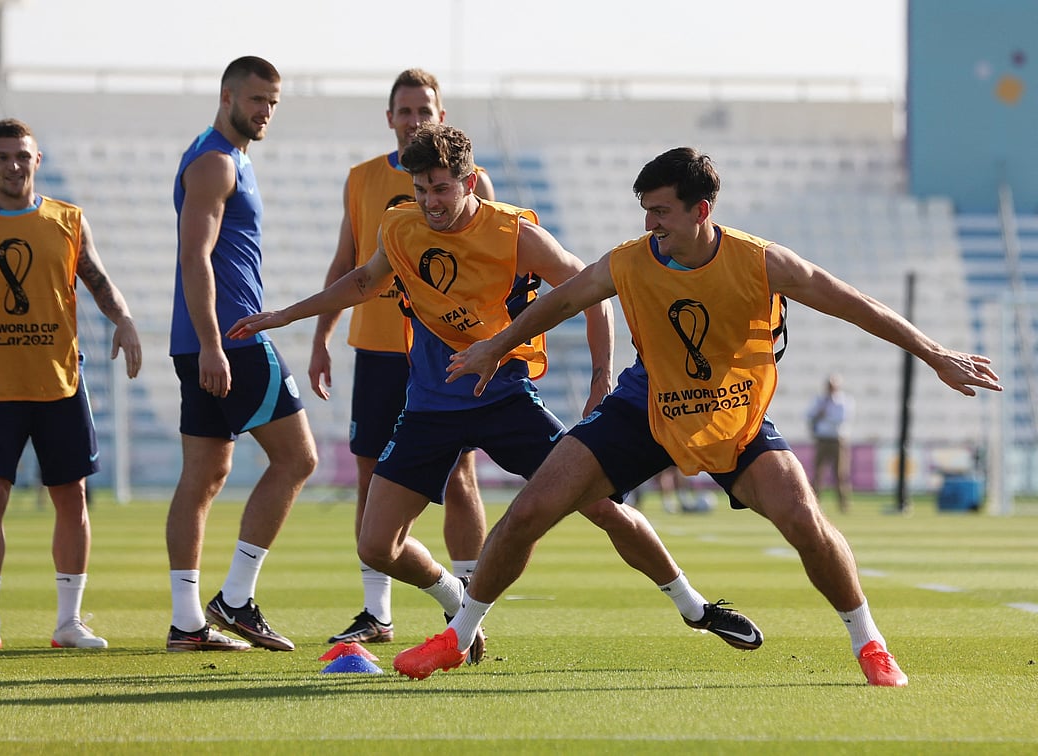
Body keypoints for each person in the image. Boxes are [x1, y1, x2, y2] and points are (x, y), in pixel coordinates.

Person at [404, 146, 1003, 686]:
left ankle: (869, 643)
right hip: (646, 406)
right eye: (646, 210)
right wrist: (496, 345)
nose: (650, 224)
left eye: (662, 211)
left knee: (804, 521)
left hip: (732, 416)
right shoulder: (629, 261)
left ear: (702, 210)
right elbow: (561, 301)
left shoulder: (760, 261)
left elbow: (854, 304)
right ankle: (458, 637)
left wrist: (934, 354)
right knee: (530, 509)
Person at [231, 125, 762, 667]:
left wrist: (601, 377)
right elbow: (365, 281)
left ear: (469, 182)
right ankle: (454, 598)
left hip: (506, 400)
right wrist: (287, 315)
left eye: (441, 188)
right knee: (376, 546)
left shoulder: (515, 234)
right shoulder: (400, 226)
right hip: (430, 406)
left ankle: (694, 606)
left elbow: (591, 292)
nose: (430, 202)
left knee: (603, 507)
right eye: (421, 189)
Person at [0, 117, 143, 650]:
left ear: (37, 160)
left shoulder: (67, 220)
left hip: (60, 383)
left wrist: (123, 318)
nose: (13, 165)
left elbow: (98, 279)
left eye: (21, 156)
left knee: (72, 499)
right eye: (2, 157)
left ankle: (69, 623)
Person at [309, 69, 497, 645]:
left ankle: (467, 610)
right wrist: (320, 337)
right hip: (378, 346)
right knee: (371, 474)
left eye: (425, 111)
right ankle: (377, 612)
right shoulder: (362, 178)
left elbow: (496, 266)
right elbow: (348, 263)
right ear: (389, 117)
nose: (415, 120)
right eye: (406, 111)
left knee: (459, 474)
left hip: (445, 352)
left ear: (441, 117)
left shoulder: (473, 182)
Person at [164, 56, 318, 653]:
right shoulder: (215, 162)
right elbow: (194, 256)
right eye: (256, 99)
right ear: (227, 95)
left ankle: (186, 624)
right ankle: (234, 599)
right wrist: (212, 343)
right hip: (232, 339)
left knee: (205, 475)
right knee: (298, 458)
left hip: (206, 340)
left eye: (273, 102)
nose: (265, 111)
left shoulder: (226, 158)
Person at [808, 374, 854, 513]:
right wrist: (820, 416)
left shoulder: (844, 401)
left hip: (837, 440)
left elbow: (841, 419)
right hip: (822, 439)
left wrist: (823, 415)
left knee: (840, 474)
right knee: (818, 473)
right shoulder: (819, 400)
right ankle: (814, 503)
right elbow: (809, 415)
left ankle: (843, 504)